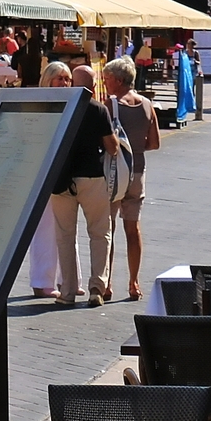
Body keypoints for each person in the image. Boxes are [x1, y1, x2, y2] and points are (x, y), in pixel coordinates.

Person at [49, 64, 119, 307]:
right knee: (100, 233)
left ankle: (67, 292)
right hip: (91, 178)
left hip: (61, 180)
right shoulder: (98, 109)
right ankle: (96, 288)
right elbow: (112, 147)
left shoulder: (59, 108)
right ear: (93, 86)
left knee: (65, 236)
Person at [104, 56, 161, 300]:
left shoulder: (111, 105)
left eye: (106, 79)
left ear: (117, 80)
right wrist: (135, 148)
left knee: (109, 228)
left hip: (116, 171)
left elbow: (105, 141)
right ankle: (133, 281)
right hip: (138, 170)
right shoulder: (147, 105)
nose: (105, 83)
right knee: (133, 227)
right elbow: (154, 143)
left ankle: (106, 283)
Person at [24, 62, 73, 298]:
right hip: (42, 172)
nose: (64, 83)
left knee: (66, 227)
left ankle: (68, 278)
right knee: (45, 228)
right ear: (49, 79)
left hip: (66, 174)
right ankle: (43, 280)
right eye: (59, 78)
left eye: (67, 78)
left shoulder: (72, 104)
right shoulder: (41, 105)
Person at [174, 41, 196, 123]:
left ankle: (187, 104)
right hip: (183, 72)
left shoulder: (192, 53)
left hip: (187, 72)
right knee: (183, 89)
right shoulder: (184, 54)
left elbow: (199, 61)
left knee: (185, 89)